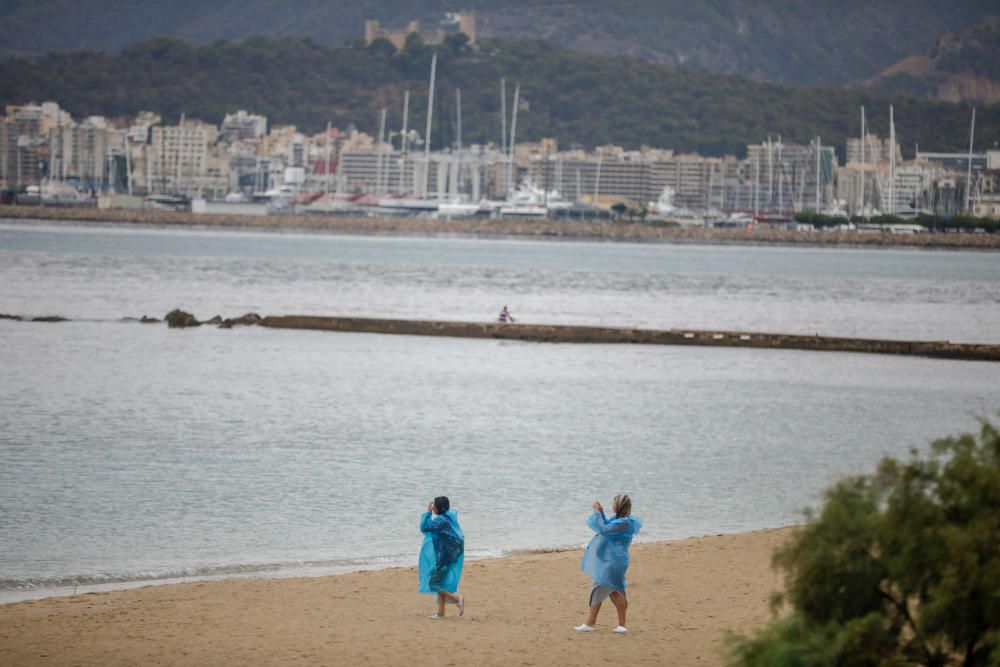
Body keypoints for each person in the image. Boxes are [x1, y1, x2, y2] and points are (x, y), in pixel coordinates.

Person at [575, 494, 642, 633]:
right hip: (611, 560)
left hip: (613, 561)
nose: (613, 505)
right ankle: (616, 625)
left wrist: (596, 512)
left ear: (618, 506)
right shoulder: (618, 520)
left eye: (615, 503)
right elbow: (605, 525)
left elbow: (605, 530)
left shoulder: (625, 522)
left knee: (604, 587)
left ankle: (591, 623)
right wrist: (601, 513)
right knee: (614, 590)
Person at [419, 496, 465, 619]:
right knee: (440, 583)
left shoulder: (440, 521)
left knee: (433, 584)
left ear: (437, 508)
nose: (433, 508)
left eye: (434, 506)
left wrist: (428, 512)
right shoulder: (448, 517)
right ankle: (441, 613)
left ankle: (457, 599)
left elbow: (424, 527)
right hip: (449, 556)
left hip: (445, 557)